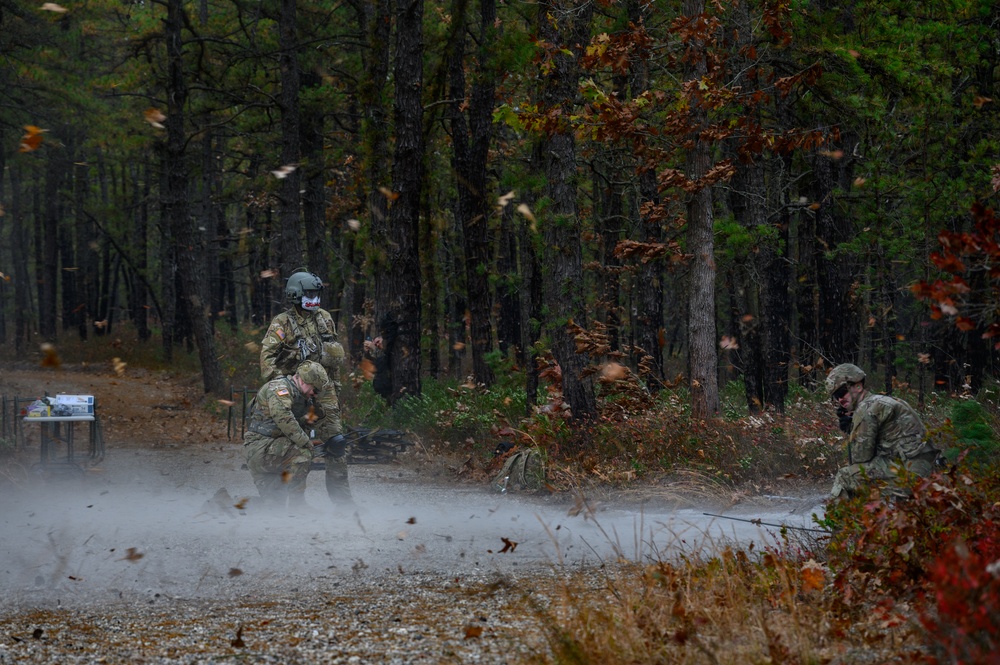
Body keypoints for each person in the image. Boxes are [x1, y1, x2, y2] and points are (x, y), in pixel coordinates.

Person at [259, 270, 352, 508]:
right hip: (296, 394)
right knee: (299, 448)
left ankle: (344, 504)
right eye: (309, 293)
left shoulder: (325, 318)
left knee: (337, 444)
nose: (314, 298)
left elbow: (333, 357)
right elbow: (266, 359)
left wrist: (335, 387)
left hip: (324, 394)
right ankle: (296, 502)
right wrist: (285, 383)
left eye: (316, 293)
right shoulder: (282, 322)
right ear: (296, 295)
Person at [826, 363, 941, 499]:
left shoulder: (866, 408)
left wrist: (853, 429)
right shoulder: (882, 401)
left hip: (912, 474)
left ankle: (834, 518)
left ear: (858, 386)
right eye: (835, 396)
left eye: (842, 392)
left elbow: (860, 460)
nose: (840, 399)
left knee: (845, 477)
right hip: (925, 469)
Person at [244, 361, 342, 512]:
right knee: (302, 452)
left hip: (272, 449)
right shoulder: (280, 389)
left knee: (272, 509)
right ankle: (298, 506)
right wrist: (306, 443)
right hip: (261, 448)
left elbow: (298, 423)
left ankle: (224, 505)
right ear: (303, 380)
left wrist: (314, 417)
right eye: (314, 389)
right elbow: (284, 419)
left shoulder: (300, 395)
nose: (314, 394)